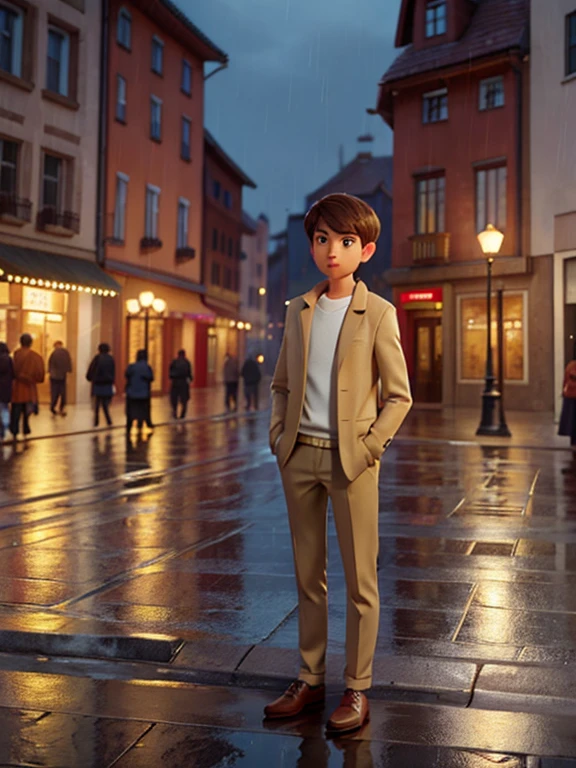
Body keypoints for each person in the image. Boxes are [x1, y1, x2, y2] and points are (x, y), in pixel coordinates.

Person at [264, 193, 412, 734]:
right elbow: (281, 383)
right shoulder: (297, 311)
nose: (332, 251)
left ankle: (357, 686)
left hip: (353, 462)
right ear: (312, 245)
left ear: (366, 249)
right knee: (308, 577)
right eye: (323, 239)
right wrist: (280, 436)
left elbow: (399, 395)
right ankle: (309, 677)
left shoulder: (379, 314)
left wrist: (371, 447)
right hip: (299, 456)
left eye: (346, 241)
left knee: (360, 580)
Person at [10, 333, 45, 440]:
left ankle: (14, 431)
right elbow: (40, 374)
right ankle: (26, 429)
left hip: (16, 388)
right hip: (29, 388)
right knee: (26, 411)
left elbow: (12, 371)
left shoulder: (15, 355)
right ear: (31, 343)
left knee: (16, 410)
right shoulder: (35, 356)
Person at [86, 343, 115, 427]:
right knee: (105, 404)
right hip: (107, 384)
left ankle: (96, 421)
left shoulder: (97, 358)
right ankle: (108, 420)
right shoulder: (111, 359)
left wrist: (89, 378)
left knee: (97, 404)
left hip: (98, 384)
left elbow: (91, 370)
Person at [125, 349, 154, 431]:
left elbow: (127, 375)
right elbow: (151, 378)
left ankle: (129, 426)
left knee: (131, 411)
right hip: (144, 393)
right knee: (143, 410)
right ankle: (141, 424)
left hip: (132, 392)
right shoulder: (147, 367)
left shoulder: (131, 366)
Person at [48, 340, 72, 416]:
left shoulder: (54, 353)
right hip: (62, 375)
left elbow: (50, 363)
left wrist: (49, 372)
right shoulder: (65, 352)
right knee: (63, 392)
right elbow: (69, 363)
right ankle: (61, 407)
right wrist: (68, 370)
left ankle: (52, 407)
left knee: (54, 392)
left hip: (54, 376)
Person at [559, 341, 576, 447]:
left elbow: (565, 381)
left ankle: (573, 442)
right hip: (572, 396)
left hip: (570, 396)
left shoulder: (570, 365)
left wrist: (563, 392)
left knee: (572, 421)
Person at [169, 349, 193, 419]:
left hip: (175, 382)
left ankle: (174, 411)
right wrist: (190, 379)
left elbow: (170, 372)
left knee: (174, 398)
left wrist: (172, 378)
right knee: (184, 399)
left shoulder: (174, 362)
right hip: (183, 382)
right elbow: (189, 373)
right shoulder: (187, 362)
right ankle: (183, 413)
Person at [0, 342, 14, 442]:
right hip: (6, 388)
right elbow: (14, 374)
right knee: (5, 408)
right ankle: (5, 430)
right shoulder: (9, 360)